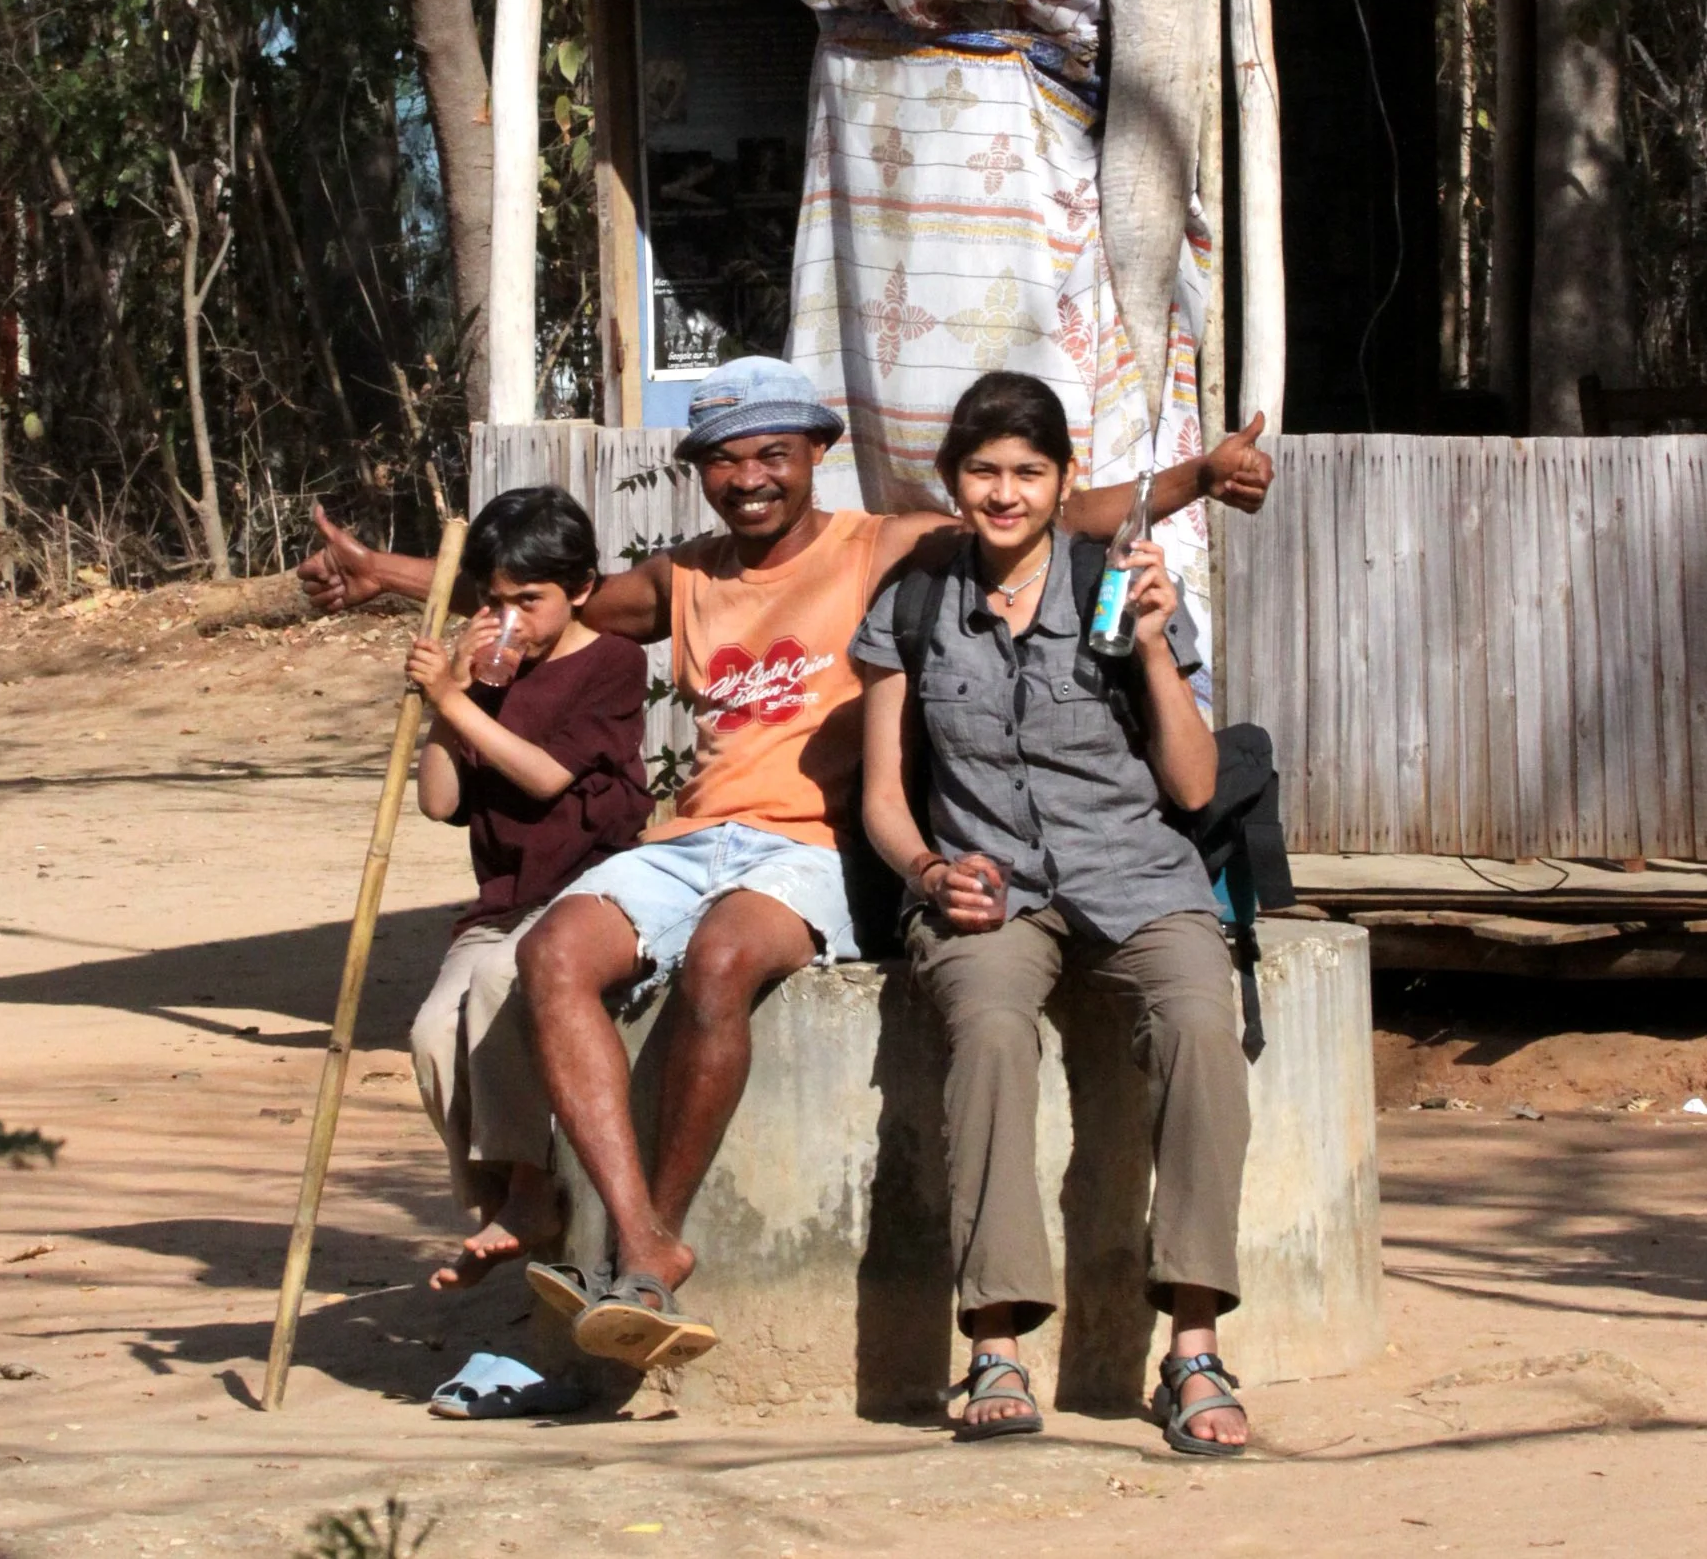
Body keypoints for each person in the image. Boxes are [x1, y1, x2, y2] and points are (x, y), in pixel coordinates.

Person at [298, 355, 1272, 1374]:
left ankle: (653, 1245)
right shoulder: (685, 579)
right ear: (701, 473)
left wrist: (1200, 475)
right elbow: (544, 595)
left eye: (774, 453)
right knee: (551, 955)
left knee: (723, 960)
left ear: (819, 455)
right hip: (693, 838)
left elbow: (1051, 506)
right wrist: (390, 576)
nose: (750, 477)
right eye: (724, 460)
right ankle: (644, 1248)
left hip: (810, 846)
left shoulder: (885, 548)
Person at [855, 371, 1251, 1455]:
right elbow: (884, 794)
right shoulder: (917, 600)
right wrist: (932, 876)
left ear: (1063, 481)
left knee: (1202, 1031)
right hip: (992, 891)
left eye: (1029, 471)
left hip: (1136, 873)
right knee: (986, 1034)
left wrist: (1160, 647)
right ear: (953, 482)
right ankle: (995, 1342)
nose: (1005, 492)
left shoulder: (1118, 584)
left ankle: (1195, 1347)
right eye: (983, 470)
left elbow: (1195, 786)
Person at [404, 486, 649, 1293]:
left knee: (503, 986)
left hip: (585, 887)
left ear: (580, 588)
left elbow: (546, 778)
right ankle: (495, 1204)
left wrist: (452, 700)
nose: (513, 619)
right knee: (435, 1032)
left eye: (531, 601)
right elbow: (439, 800)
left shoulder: (610, 663)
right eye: (496, 601)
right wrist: (455, 700)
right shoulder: (484, 679)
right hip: (503, 898)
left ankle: (531, 1195)